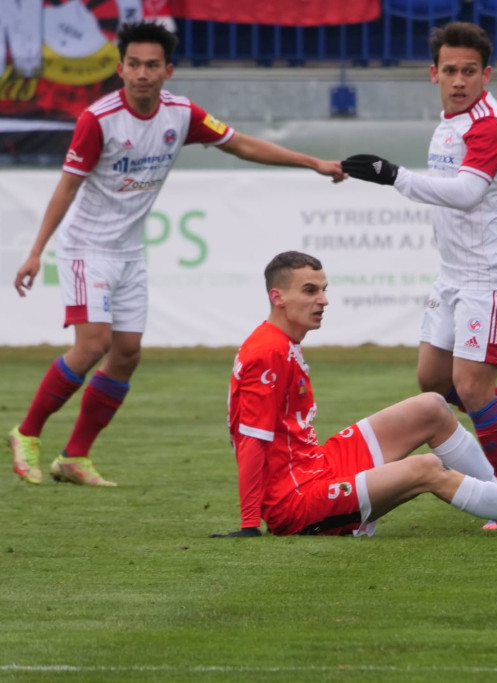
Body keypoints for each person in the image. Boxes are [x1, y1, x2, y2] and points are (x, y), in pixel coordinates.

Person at [8, 22, 345, 487]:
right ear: (119, 68)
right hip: (87, 249)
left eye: (151, 64)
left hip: (129, 252)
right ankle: (26, 432)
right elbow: (67, 186)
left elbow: (241, 144)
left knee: (126, 354)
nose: (141, 73)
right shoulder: (98, 120)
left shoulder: (181, 115)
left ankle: (75, 457)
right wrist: (35, 252)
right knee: (94, 344)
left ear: (168, 70)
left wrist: (312, 162)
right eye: (133, 64)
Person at [213, 251, 497, 538]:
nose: (323, 299)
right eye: (310, 290)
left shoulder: (281, 342)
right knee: (425, 470)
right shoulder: (267, 352)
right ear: (277, 297)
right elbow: (251, 442)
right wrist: (250, 524)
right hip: (296, 500)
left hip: (317, 465)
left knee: (432, 406)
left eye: (323, 289)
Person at [338, 22, 497, 511]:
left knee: (470, 387)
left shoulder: (489, 124)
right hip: (454, 272)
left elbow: (468, 194)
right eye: (450, 71)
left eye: (469, 71)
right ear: (433, 74)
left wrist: (395, 176)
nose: (459, 80)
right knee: (432, 381)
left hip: (487, 276)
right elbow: (495, 198)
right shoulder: (450, 120)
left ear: (487, 74)